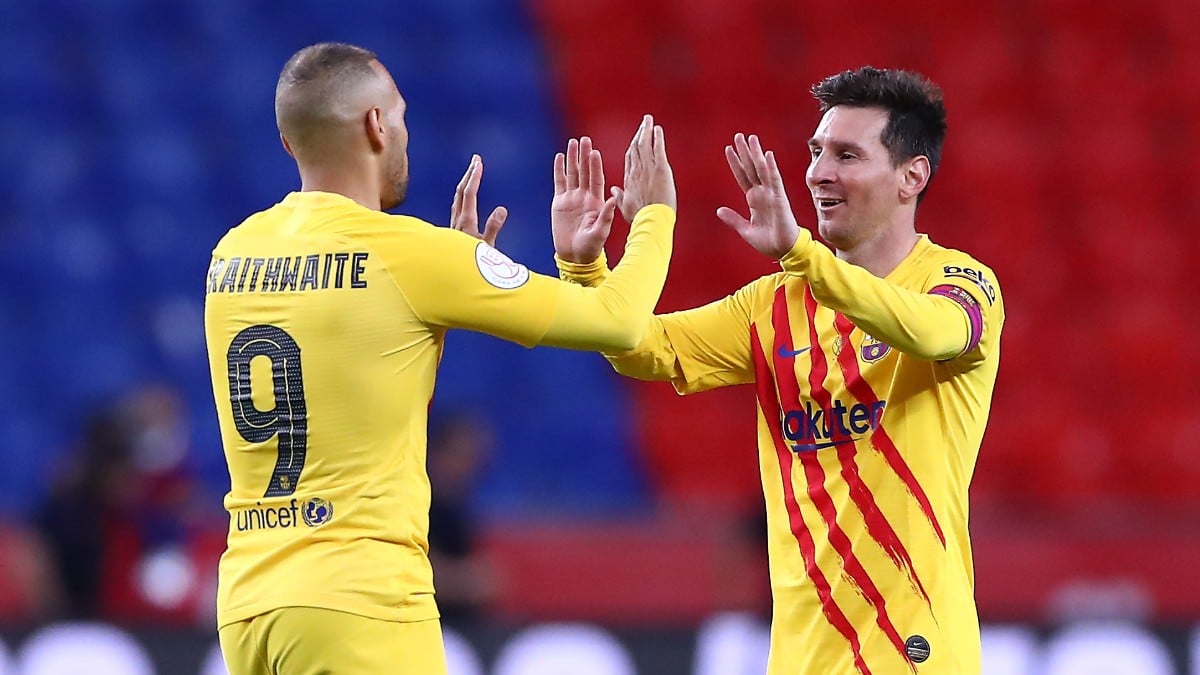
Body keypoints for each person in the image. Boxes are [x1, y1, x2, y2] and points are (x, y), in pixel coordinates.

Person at [204, 42, 676, 675]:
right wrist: (654, 217)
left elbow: (351, 369)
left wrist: (438, 301)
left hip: (249, 605)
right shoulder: (412, 255)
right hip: (361, 601)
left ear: (291, 144)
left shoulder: (233, 254)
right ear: (375, 125)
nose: (403, 133)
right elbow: (618, 323)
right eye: (399, 116)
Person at [554, 66, 1004, 674]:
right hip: (799, 657)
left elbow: (925, 332)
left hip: (915, 654)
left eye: (847, 154)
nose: (819, 172)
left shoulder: (961, 283)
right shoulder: (774, 305)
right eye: (817, 151)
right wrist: (586, 269)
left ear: (911, 176)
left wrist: (800, 252)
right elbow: (642, 349)